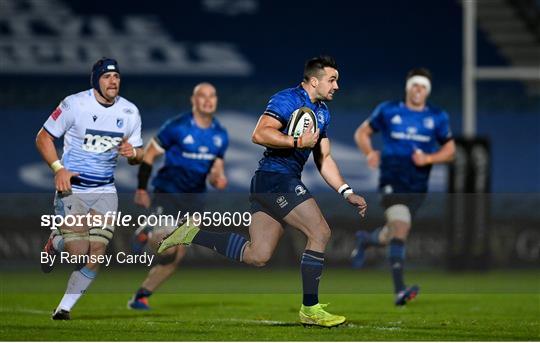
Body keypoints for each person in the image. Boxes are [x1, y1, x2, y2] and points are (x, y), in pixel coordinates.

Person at [158, 56, 367, 328]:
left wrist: (345, 191)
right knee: (320, 232)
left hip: (271, 183)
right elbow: (259, 134)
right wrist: (295, 141)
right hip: (275, 179)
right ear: (314, 81)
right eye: (332, 79)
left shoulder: (323, 112)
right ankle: (311, 308)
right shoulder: (287, 99)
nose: (337, 85)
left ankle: (190, 234)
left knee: (257, 255)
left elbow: (324, 159)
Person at [36, 57, 144, 319]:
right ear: (96, 80)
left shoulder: (129, 112)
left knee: (96, 252)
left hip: (106, 190)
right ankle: (54, 242)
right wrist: (58, 169)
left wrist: (133, 154)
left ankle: (64, 308)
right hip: (74, 188)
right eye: (107, 77)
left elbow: (138, 154)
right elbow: (43, 137)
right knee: (77, 253)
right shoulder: (74, 104)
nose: (113, 81)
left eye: (116, 76)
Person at [351, 68, 455, 306]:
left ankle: (366, 239)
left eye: (423, 87)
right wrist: (369, 153)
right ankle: (399, 290)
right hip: (392, 180)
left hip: (417, 186)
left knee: (391, 233)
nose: (418, 90)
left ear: (427, 92)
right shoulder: (389, 110)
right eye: (415, 85)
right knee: (401, 226)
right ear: (408, 87)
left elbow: (450, 151)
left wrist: (428, 159)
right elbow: (362, 133)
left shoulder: (437, 117)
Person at [127, 82, 228, 310]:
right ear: (194, 101)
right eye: (202, 96)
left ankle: (141, 295)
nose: (208, 100)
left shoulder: (220, 134)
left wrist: (217, 179)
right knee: (169, 247)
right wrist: (142, 188)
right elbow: (150, 155)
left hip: (195, 200)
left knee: (177, 255)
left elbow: (216, 168)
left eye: (212, 95)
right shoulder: (177, 127)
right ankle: (146, 231)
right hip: (168, 194)